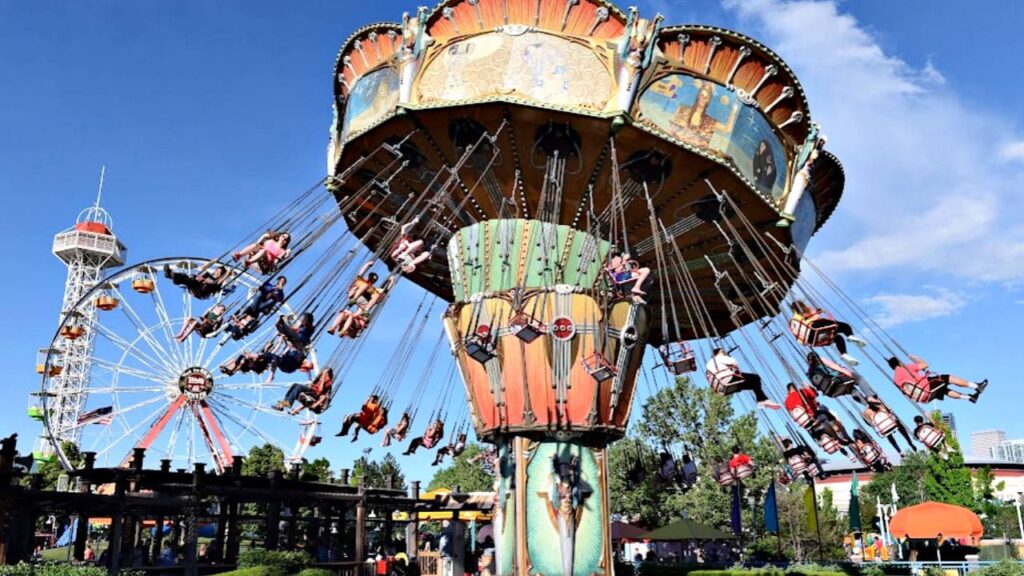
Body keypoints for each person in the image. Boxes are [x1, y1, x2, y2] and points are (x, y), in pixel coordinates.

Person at [789, 300, 867, 365]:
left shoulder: (793, 319)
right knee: (844, 326)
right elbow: (811, 318)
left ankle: (844, 355)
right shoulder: (800, 313)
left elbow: (803, 321)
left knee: (838, 338)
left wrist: (815, 312)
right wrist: (816, 312)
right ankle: (850, 336)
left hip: (811, 339)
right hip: (814, 330)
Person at [888, 355, 986, 403]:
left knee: (943, 390)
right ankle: (976, 386)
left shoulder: (895, 379)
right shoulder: (907, 367)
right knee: (948, 378)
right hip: (927, 387)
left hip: (922, 397)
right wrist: (915, 358)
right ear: (899, 362)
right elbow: (925, 365)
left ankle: (970, 397)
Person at [705, 347, 781, 409]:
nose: (723, 353)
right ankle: (761, 400)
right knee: (756, 378)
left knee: (753, 385)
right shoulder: (719, 357)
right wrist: (728, 359)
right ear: (717, 353)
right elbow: (734, 362)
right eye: (722, 352)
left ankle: (762, 401)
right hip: (729, 378)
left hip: (720, 385)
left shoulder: (708, 364)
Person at [165, 260, 231, 299]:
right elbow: (203, 268)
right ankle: (169, 274)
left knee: (192, 281)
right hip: (195, 286)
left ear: (221, 274)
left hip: (201, 291)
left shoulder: (217, 282)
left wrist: (227, 273)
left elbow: (222, 280)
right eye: (217, 271)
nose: (216, 273)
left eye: (219, 272)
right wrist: (213, 261)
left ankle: (173, 277)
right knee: (188, 278)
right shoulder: (207, 275)